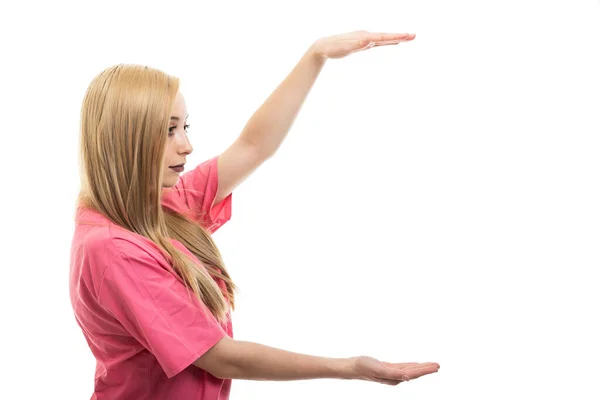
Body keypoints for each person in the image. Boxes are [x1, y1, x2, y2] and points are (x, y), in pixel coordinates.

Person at [70, 30, 440, 399]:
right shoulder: (113, 250)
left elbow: (253, 146)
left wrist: (316, 56)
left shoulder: (159, 207)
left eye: (184, 127)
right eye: (168, 131)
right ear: (126, 138)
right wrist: (349, 368)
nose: (186, 145)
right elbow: (221, 358)